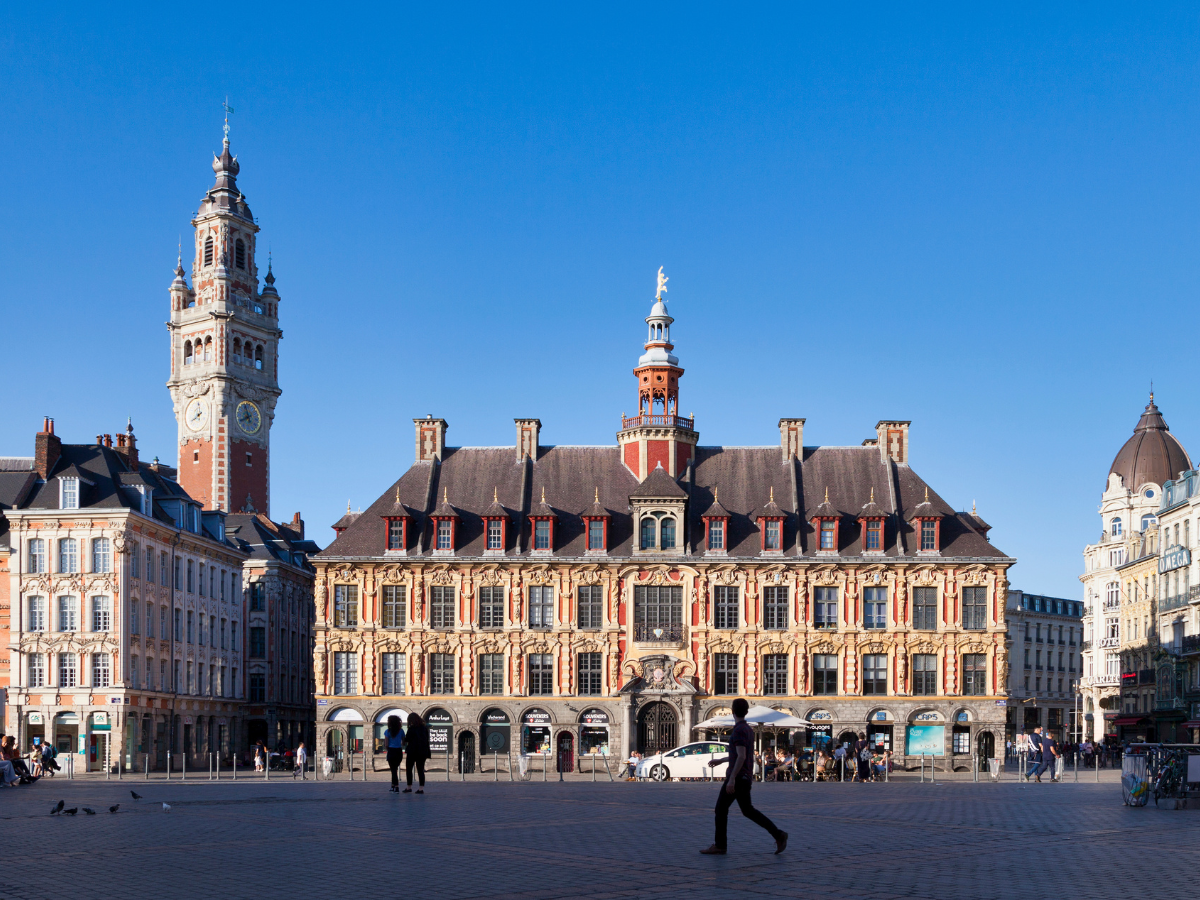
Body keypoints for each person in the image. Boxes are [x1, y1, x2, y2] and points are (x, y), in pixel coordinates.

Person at [700, 698, 787, 856]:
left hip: (738, 777)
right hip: (745, 776)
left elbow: (741, 756)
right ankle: (778, 834)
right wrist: (722, 760)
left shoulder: (739, 730)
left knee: (721, 809)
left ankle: (720, 845)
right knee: (748, 811)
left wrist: (732, 778)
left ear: (732, 711)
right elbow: (741, 755)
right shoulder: (747, 729)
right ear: (746, 712)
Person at [402, 712, 429, 794]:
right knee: (420, 769)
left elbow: (407, 739)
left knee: (409, 769)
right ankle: (421, 788)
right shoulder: (424, 728)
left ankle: (409, 787)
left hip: (412, 751)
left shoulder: (412, 728)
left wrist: (403, 739)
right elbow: (427, 739)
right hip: (422, 751)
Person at [384, 715, 405, 793]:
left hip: (391, 750)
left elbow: (386, 744)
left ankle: (396, 787)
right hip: (399, 751)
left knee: (393, 770)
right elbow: (403, 742)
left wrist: (388, 749)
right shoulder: (401, 731)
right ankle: (392, 786)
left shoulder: (387, 731)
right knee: (394, 769)